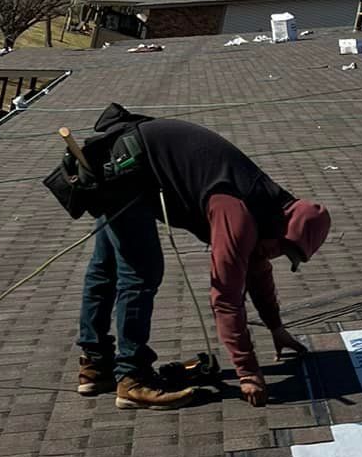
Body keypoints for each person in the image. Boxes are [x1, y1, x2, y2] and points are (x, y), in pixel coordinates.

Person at [76, 109, 331, 409]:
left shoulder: (269, 208)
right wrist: (247, 371)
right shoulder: (237, 213)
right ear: (283, 230)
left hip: (123, 159)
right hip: (126, 167)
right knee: (141, 271)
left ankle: (94, 367)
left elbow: (256, 268)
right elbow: (225, 297)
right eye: (283, 250)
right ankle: (132, 379)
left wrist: (275, 327)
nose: (275, 256)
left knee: (107, 266)